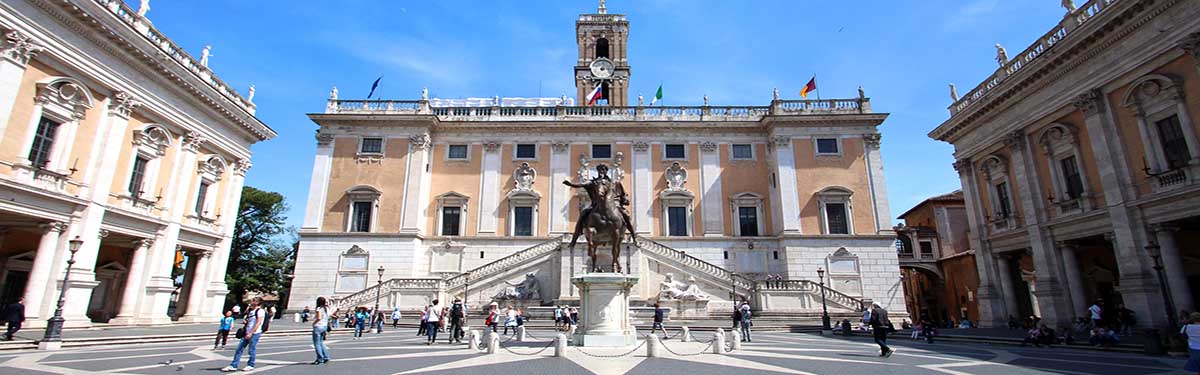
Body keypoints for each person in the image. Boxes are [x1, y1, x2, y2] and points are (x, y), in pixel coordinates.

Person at [222, 297, 265, 372]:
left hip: (254, 333)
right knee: (239, 349)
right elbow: (250, 320)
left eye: (253, 300)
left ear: (257, 303)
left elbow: (258, 323)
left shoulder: (260, 311)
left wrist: (251, 333)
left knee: (251, 349)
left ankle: (250, 365)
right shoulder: (251, 310)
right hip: (246, 332)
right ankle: (233, 365)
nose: (251, 301)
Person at [311, 297, 331, 365]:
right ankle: (326, 357)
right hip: (324, 326)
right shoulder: (327, 308)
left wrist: (313, 323)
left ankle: (320, 359)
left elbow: (319, 318)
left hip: (318, 326)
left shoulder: (319, 308)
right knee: (321, 343)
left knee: (317, 344)